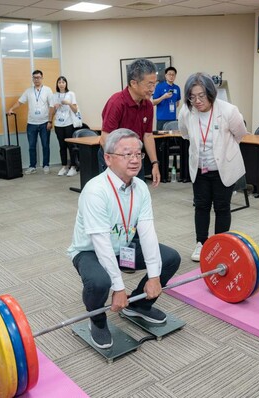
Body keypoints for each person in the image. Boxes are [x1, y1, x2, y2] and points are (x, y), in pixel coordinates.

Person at [67, 128, 180, 349]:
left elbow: (147, 233)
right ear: (108, 159)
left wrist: (154, 276)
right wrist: (118, 288)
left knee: (170, 259)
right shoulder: (95, 191)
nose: (135, 160)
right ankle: (97, 321)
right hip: (89, 251)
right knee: (101, 282)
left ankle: (139, 306)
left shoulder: (140, 187)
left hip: (123, 247)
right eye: (127, 154)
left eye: (138, 154)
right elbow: (101, 244)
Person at [178, 72, 249, 262]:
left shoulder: (228, 110)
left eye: (201, 95)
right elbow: (184, 133)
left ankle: (220, 244)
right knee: (201, 206)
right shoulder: (186, 111)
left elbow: (240, 134)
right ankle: (201, 243)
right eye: (192, 97)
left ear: (211, 93)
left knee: (222, 207)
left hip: (224, 167)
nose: (197, 101)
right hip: (200, 168)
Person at [99, 59, 161, 186]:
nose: (153, 89)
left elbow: (148, 136)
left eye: (155, 84)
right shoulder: (116, 103)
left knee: (137, 193)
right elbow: (105, 139)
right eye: (149, 85)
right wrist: (119, 164)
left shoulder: (148, 105)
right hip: (115, 157)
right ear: (133, 83)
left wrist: (155, 163)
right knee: (116, 196)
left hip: (134, 156)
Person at [8, 70, 54, 175]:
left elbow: (52, 106)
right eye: (34, 77)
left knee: (45, 145)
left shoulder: (47, 90)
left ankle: (46, 165)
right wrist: (11, 108)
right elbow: (20, 102)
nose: (36, 79)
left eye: (38, 77)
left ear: (42, 78)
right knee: (31, 146)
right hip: (31, 123)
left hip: (44, 122)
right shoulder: (28, 91)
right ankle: (32, 166)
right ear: (32, 79)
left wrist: (50, 121)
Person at [52, 76, 78, 177]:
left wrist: (69, 103)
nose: (61, 84)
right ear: (57, 84)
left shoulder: (71, 94)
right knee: (62, 146)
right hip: (58, 124)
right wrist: (55, 107)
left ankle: (73, 167)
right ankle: (64, 166)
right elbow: (53, 111)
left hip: (68, 123)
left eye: (63, 82)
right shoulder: (54, 96)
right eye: (59, 82)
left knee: (70, 146)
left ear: (66, 84)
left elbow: (75, 110)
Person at [152, 66, 181, 130]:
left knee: (172, 139)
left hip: (172, 119)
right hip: (161, 119)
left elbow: (177, 103)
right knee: (161, 139)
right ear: (166, 75)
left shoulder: (177, 88)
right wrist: (163, 97)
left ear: (175, 76)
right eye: (169, 74)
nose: (171, 76)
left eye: (173, 75)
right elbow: (153, 103)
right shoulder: (159, 86)